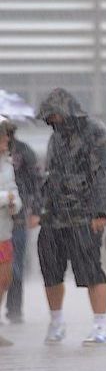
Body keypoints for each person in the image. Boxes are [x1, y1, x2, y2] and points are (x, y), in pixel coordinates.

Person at [35, 88, 106, 347]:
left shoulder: (95, 131)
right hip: (53, 215)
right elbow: (50, 174)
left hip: (84, 214)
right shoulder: (54, 137)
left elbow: (103, 173)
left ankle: (100, 325)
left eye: (55, 115)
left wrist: (100, 211)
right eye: (49, 118)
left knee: (91, 270)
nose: (52, 121)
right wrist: (41, 207)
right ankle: (56, 322)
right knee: (50, 269)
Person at [1, 119, 40, 324]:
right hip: (4, 221)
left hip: (16, 219)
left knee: (14, 268)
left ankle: (14, 310)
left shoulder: (23, 152)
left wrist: (35, 210)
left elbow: (35, 181)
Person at [0, 119, 24, 346]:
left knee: (4, 279)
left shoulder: (7, 165)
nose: (7, 140)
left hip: (4, 233)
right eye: (4, 135)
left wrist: (14, 203)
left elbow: (14, 192)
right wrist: (3, 198)